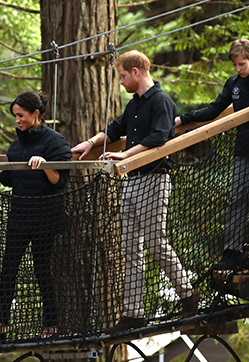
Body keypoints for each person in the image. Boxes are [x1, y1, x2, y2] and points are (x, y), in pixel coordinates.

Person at [72, 50, 198, 331]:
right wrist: (90, 143)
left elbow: (159, 137)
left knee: (155, 242)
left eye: (123, 76)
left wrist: (125, 156)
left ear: (136, 72)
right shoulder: (135, 104)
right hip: (132, 181)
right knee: (130, 248)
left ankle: (189, 295)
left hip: (154, 179)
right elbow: (115, 129)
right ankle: (133, 312)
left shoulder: (162, 101)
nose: (121, 82)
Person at [0, 91, 72, 340]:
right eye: (15, 115)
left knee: (42, 270)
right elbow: (10, 178)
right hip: (20, 215)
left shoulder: (56, 142)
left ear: (36, 114)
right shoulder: (18, 143)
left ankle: (51, 327)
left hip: (45, 217)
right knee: (8, 270)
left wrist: (44, 164)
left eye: (21, 115)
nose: (17, 120)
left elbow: (60, 181)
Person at [175, 38, 249, 269]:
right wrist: (184, 119)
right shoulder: (233, 83)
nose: (237, 69)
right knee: (237, 198)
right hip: (243, 148)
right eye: (234, 65)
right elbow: (214, 109)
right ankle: (232, 250)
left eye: (242, 64)